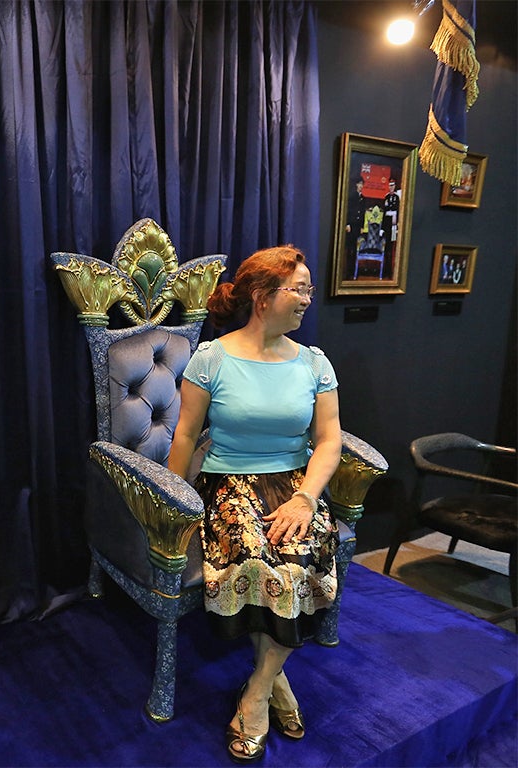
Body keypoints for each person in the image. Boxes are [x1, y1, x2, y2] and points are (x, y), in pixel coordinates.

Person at [167, 245, 342, 763]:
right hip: (227, 482)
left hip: (295, 484)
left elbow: (329, 439)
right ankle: (275, 681)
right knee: (257, 554)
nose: (308, 299)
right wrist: (174, 505)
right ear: (263, 297)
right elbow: (184, 435)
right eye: (300, 289)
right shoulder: (212, 358)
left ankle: (258, 691)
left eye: (309, 288)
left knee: (301, 556)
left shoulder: (314, 362)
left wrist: (307, 498)